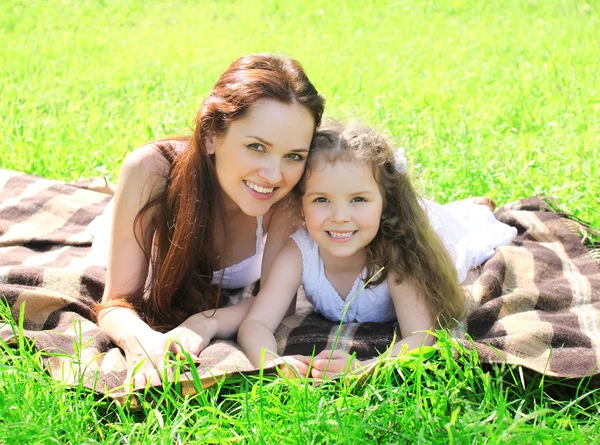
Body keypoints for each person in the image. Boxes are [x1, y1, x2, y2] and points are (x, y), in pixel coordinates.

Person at [90, 53, 325, 388]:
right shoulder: (149, 171)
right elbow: (116, 303)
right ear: (211, 135)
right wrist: (141, 342)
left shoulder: (287, 197)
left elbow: (279, 304)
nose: (274, 175)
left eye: (293, 155)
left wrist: (205, 323)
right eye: (257, 147)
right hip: (135, 217)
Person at [237, 121, 517, 378]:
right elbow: (256, 324)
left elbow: (421, 336)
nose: (340, 216)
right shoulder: (298, 252)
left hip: (444, 236)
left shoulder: (398, 252)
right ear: (301, 205)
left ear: (385, 203)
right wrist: (271, 361)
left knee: (474, 236)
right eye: (322, 199)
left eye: (358, 199)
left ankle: (475, 208)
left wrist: (363, 367)